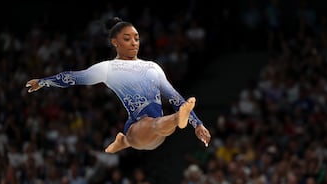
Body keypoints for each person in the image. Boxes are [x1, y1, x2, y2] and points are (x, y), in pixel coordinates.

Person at [25, 17, 211, 154]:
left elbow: (175, 98)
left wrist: (198, 125)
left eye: (136, 38)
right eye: (127, 38)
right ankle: (172, 120)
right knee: (152, 124)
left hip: (157, 131)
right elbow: (74, 77)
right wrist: (43, 82)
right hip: (137, 125)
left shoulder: (152, 67)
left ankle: (131, 138)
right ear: (115, 42)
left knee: (159, 125)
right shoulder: (108, 68)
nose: (133, 43)